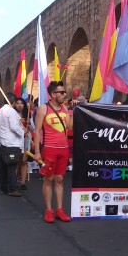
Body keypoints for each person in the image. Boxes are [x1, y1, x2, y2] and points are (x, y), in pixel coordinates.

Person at [34, 81, 73, 223]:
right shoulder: (43, 109)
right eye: (61, 92)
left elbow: (70, 127)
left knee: (60, 179)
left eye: (64, 92)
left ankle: (60, 210)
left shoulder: (65, 108)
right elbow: (37, 130)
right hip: (49, 149)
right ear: (52, 94)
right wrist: (37, 151)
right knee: (48, 179)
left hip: (63, 149)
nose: (64, 95)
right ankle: (49, 210)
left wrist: (75, 111)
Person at [0, 93, 24, 197]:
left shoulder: (0, 111)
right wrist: (22, 132)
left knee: (3, 166)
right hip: (11, 142)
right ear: (12, 101)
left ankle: (3, 188)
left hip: (2, 141)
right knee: (11, 166)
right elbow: (14, 127)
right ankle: (13, 188)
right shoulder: (11, 111)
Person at [13, 97, 31, 189]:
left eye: (21, 103)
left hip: (25, 140)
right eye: (17, 103)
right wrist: (19, 121)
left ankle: (23, 183)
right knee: (16, 161)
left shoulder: (28, 114)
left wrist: (29, 124)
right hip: (16, 140)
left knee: (24, 161)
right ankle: (14, 181)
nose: (19, 105)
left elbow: (32, 128)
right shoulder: (12, 114)